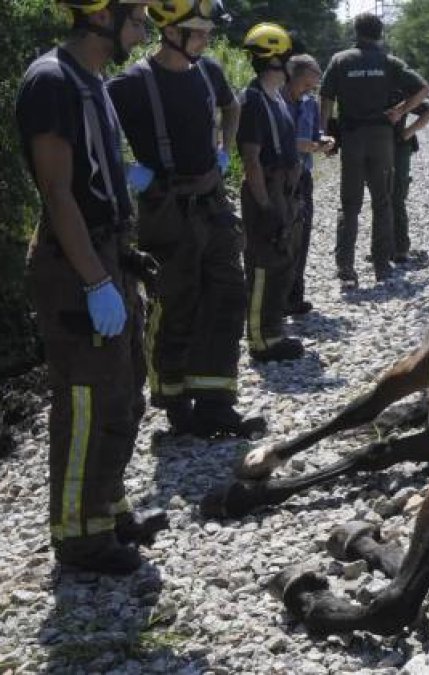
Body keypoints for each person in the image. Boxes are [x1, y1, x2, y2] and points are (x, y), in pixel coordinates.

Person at [17, 0, 162, 574]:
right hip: (75, 264)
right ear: (101, 17)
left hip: (105, 252)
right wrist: (96, 281)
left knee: (124, 392)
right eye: (138, 18)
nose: (146, 29)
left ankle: (107, 511)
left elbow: (92, 174)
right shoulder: (51, 83)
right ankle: (79, 539)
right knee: (85, 403)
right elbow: (58, 195)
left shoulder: (90, 80)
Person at [108, 0, 267, 438]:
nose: (205, 39)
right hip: (166, 210)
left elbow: (230, 107)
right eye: (197, 32)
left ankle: (216, 401)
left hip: (211, 202)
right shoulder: (130, 84)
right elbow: (97, 138)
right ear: (171, 33)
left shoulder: (208, 71)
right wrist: (128, 172)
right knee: (176, 302)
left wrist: (223, 151)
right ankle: (175, 402)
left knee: (228, 295)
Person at [320, 12, 429, 287]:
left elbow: (326, 99)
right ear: (380, 33)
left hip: (352, 138)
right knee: (382, 202)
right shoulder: (389, 62)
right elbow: (424, 89)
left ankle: (346, 267)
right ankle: (382, 265)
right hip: (382, 139)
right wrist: (401, 110)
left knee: (350, 204)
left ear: (355, 33)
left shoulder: (340, 60)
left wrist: (323, 132)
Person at [237, 23, 308, 361]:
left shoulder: (276, 98)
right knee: (263, 265)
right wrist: (265, 205)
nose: (290, 64)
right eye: (286, 57)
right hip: (265, 190)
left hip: (282, 190)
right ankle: (260, 340)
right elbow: (251, 158)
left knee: (281, 262)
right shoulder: (251, 100)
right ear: (274, 60)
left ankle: (273, 330)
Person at [283, 53, 334, 316]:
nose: (309, 89)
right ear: (292, 76)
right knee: (281, 239)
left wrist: (323, 141)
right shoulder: (276, 100)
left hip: (303, 176)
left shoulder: (310, 103)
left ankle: (295, 297)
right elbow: (293, 143)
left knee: (301, 239)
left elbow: (312, 136)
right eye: (306, 84)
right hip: (279, 178)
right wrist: (313, 145)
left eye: (313, 85)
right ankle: (278, 300)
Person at [390, 92, 429, 265]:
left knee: (397, 197)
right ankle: (384, 248)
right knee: (381, 199)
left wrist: (407, 133)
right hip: (376, 149)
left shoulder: (399, 94)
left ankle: (401, 248)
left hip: (399, 148)